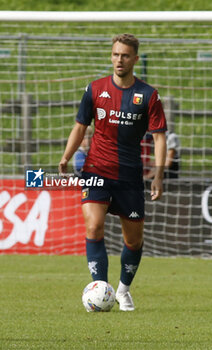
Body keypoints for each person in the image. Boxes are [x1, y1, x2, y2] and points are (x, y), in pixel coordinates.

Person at [59, 33, 167, 311]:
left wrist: (158, 174)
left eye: (126, 55)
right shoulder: (94, 89)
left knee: (134, 240)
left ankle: (123, 290)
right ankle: (100, 290)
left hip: (130, 176)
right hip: (95, 169)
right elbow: (80, 126)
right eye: (116, 54)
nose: (120, 59)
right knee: (93, 227)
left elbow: (159, 138)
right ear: (112, 56)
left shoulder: (148, 95)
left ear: (135, 59)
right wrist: (67, 155)